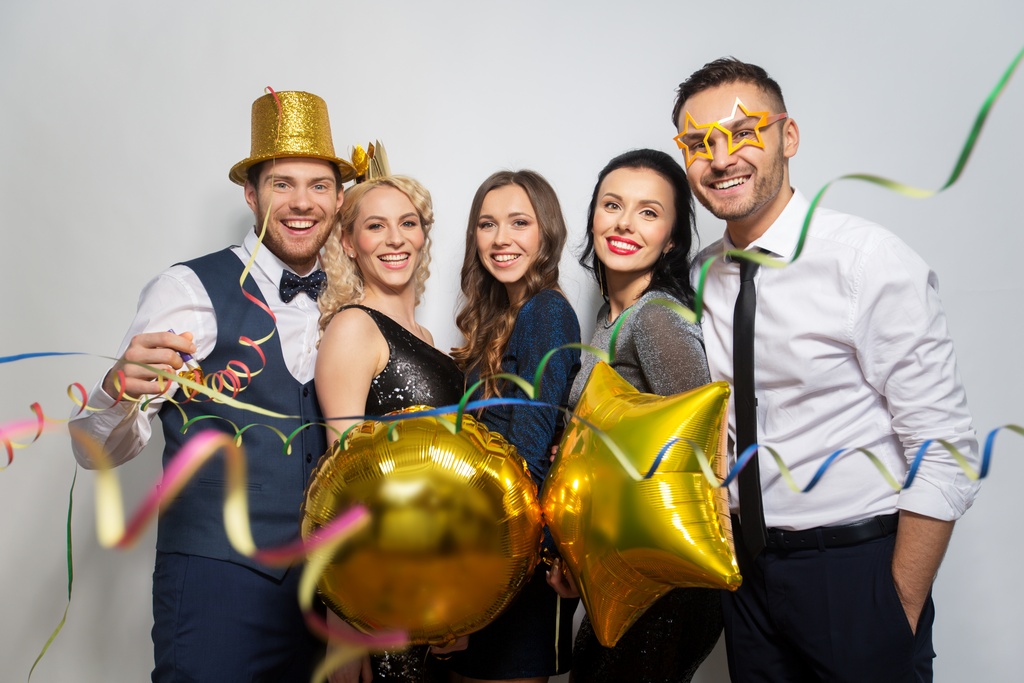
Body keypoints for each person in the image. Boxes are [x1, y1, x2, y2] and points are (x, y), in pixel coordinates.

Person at [672, 57, 979, 682]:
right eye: (700, 143)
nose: (721, 157)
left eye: (744, 131)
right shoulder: (700, 275)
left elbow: (945, 448)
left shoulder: (867, 262)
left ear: (788, 136)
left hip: (855, 569)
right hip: (745, 576)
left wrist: (898, 606)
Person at [68, 90, 352, 681]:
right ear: (250, 194)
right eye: (282, 184)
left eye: (319, 185)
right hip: (214, 583)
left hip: (320, 594)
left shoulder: (346, 303)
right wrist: (116, 389)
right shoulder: (187, 289)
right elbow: (94, 450)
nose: (302, 202)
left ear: (339, 197)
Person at [549, 148, 723, 682]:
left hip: (664, 586)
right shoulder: (610, 316)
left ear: (671, 239)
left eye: (649, 212)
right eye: (612, 205)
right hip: (628, 574)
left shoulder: (656, 319)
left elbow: (698, 456)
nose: (624, 223)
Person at [316, 174, 463, 683]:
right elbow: (341, 481)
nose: (395, 238)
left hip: (433, 580)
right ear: (349, 243)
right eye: (375, 226)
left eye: (408, 223)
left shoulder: (427, 337)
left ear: (423, 235)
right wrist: (344, 618)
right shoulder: (354, 327)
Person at [446, 170, 581, 683]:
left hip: (516, 561)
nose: (501, 238)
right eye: (487, 224)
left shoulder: (545, 313)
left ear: (546, 233)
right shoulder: (500, 319)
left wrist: (469, 589)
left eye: (519, 222)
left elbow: (524, 457)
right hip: (490, 553)